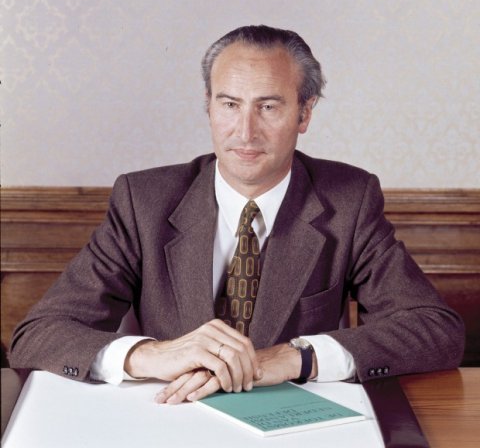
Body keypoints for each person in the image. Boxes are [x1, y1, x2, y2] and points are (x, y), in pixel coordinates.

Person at [9, 25, 464, 404]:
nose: (245, 132)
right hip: (171, 420)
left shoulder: (349, 200)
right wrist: (152, 355)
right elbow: (37, 334)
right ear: (208, 106)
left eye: (268, 107)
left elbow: (435, 331)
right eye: (229, 104)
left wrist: (294, 357)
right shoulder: (143, 201)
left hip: (294, 426)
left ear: (304, 113)